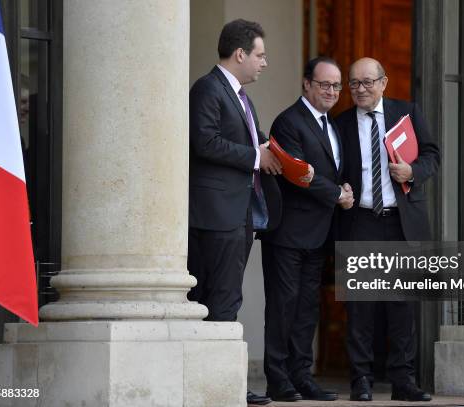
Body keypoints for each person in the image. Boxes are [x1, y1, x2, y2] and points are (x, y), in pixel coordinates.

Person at [187, 19, 284, 406]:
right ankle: (218, 387)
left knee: (228, 298)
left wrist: (273, 153)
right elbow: (204, 141)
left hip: (240, 212)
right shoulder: (208, 89)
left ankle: (222, 384)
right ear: (240, 54)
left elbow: (250, 142)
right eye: (259, 55)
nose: (264, 62)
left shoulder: (241, 96)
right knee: (217, 298)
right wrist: (255, 157)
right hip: (215, 215)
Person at [335, 57, 440, 402]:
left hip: (401, 222)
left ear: (384, 82)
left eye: (367, 82)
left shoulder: (406, 113)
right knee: (361, 306)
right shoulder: (341, 124)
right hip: (361, 219)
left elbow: (432, 155)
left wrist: (412, 172)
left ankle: (403, 381)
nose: (360, 89)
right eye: (354, 83)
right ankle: (361, 379)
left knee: (401, 306)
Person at [258, 56, 353, 402]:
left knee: (307, 308)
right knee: (283, 306)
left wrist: (346, 189)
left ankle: (302, 376)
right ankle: (278, 379)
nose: (331, 91)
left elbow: (332, 169)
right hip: (287, 233)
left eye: (336, 85)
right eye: (325, 84)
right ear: (307, 84)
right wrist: (337, 194)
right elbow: (297, 172)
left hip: (318, 232)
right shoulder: (289, 122)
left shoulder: (333, 125)